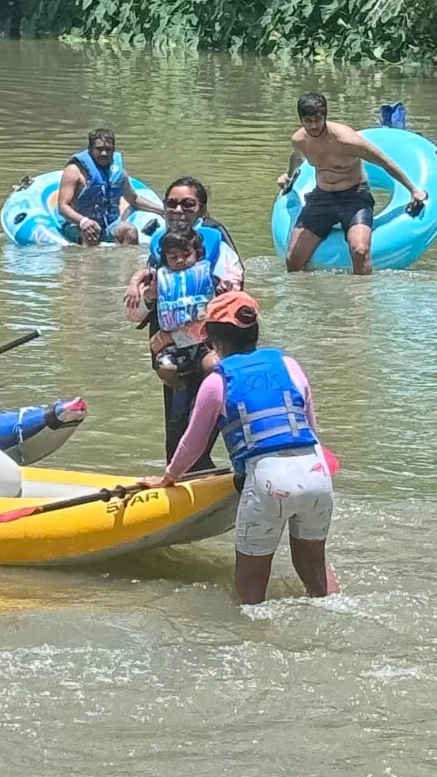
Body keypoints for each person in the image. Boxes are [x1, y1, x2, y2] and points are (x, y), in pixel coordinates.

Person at [115, 290, 334, 604]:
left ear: (211, 340)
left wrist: (168, 478)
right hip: (316, 472)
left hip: (268, 480)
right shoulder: (289, 365)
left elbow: (192, 444)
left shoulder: (217, 382)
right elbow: (310, 429)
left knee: (250, 590)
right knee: (315, 571)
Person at [124, 176, 244, 466]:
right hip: (169, 350)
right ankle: (182, 472)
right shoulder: (159, 250)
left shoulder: (216, 247)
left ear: (201, 209)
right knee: (176, 432)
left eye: (188, 204)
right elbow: (137, 312)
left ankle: (212, 469)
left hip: (210, 345)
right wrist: (146, 294)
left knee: (207, 419)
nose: (178, 210)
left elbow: (235, 303)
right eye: (172, 204)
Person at [279, 91, 428, 276]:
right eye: (308, 121)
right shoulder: (299, 140)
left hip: (354, 197)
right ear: (301, 120)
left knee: (360, 251)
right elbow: (296, 157)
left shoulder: (346, 140)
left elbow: (383, 161)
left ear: (325, 116)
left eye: (318, 120)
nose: (314, 126)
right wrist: (289, 176)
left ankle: (360, 294)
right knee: (293, 259)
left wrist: (413, 190)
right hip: (321, 198)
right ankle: (307, 293)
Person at [145, 229, 217, 386]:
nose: (180, 260)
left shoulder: (211, 276)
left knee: (214, 365)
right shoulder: (158, 280)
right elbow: (134, 314)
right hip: (173, 348)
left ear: (197, 253)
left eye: (186, 255)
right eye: (173, 257)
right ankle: (179, 388)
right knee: (165, 367)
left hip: (203, 343)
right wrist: (148, 295)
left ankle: (207, 391)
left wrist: (172, 337)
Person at [56, 128, 140, 246]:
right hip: (77, 224)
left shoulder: (117, 173)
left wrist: (162, 209)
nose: (104, 153)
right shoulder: (74, 171)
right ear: (90, 149)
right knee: (90, 234)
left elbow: (133, 199)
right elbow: (62, 206)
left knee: (130, 231)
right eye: (99, 149)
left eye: (108, 149)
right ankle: (86, 257)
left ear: (113, 150)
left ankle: (125, 258)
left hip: (109, 225)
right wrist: (83, 221)